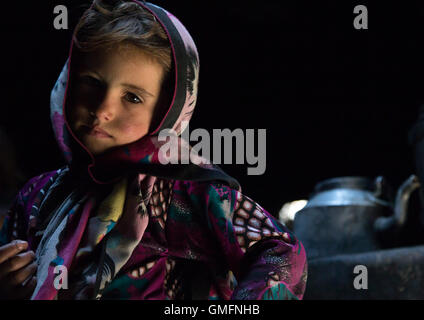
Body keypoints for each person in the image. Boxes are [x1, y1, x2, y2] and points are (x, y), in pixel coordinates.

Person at [0, 0, 307, 300]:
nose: (103, 109)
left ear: (167, 112)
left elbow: (281, 254)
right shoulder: (35, 197)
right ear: (67, 82)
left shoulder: (181, 190)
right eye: (91, 82)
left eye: (132, 97)